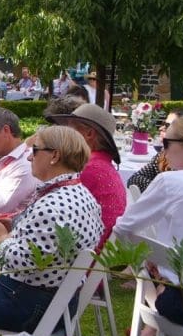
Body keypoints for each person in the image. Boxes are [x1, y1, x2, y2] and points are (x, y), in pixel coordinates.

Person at [0, 126, 104, 334]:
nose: (28, 158)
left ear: (54, 155)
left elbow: (24, 262)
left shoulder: (53, 206)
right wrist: (15, 228)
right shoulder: (81, 194)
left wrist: (0, 237)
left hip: (28, 304)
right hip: (57, 302)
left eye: (34, 151)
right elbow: (45, 248)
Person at [113, 115, 183, 336]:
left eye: (166, 144)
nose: (161, 151)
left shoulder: (171, 182)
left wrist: (152, 256)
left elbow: (123, 228)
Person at [48, 103, 126, 247]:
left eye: (69, 130)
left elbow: (51, 211)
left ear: (89, 134)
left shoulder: (89, 168)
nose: (64, 135)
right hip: (96, 253)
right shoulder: (99, 163)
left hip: (87, 258)